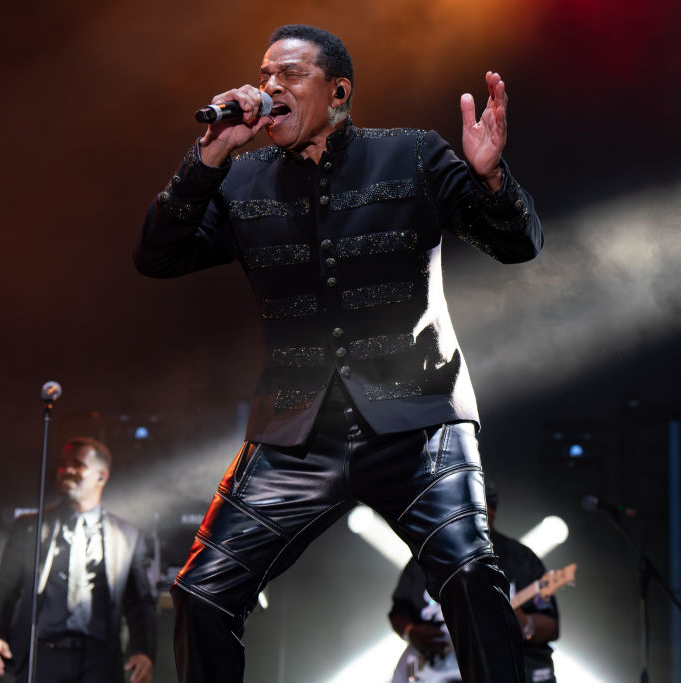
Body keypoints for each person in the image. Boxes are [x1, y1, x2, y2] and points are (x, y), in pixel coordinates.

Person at [134, 24, 543, 683]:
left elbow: (516, 244)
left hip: (419, 418)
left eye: (289, 74)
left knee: (470, 576)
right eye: (264, 74)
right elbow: (156, 256)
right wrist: (205, 157)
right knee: (200, 590)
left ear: (338, 91)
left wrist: (490, 178)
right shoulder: (240, 181)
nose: (270, 87)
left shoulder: (411, 156)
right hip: (296, 429)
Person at [0, 438, 156, 683]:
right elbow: (3, 588)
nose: (67, 470)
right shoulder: (30, 527)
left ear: (101, 477)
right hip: (42, 655)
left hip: (99, 660)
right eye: (63, 464)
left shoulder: (127, 536)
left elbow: (140, 602)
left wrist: (143, 650)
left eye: (78, 464)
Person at [389, 483, 560, 683]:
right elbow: (399, 610)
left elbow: (551, 626)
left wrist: (525, 624)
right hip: (432, 671)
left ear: (491, 512)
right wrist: (412, 633)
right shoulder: (428, 557)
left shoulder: (521, 560)